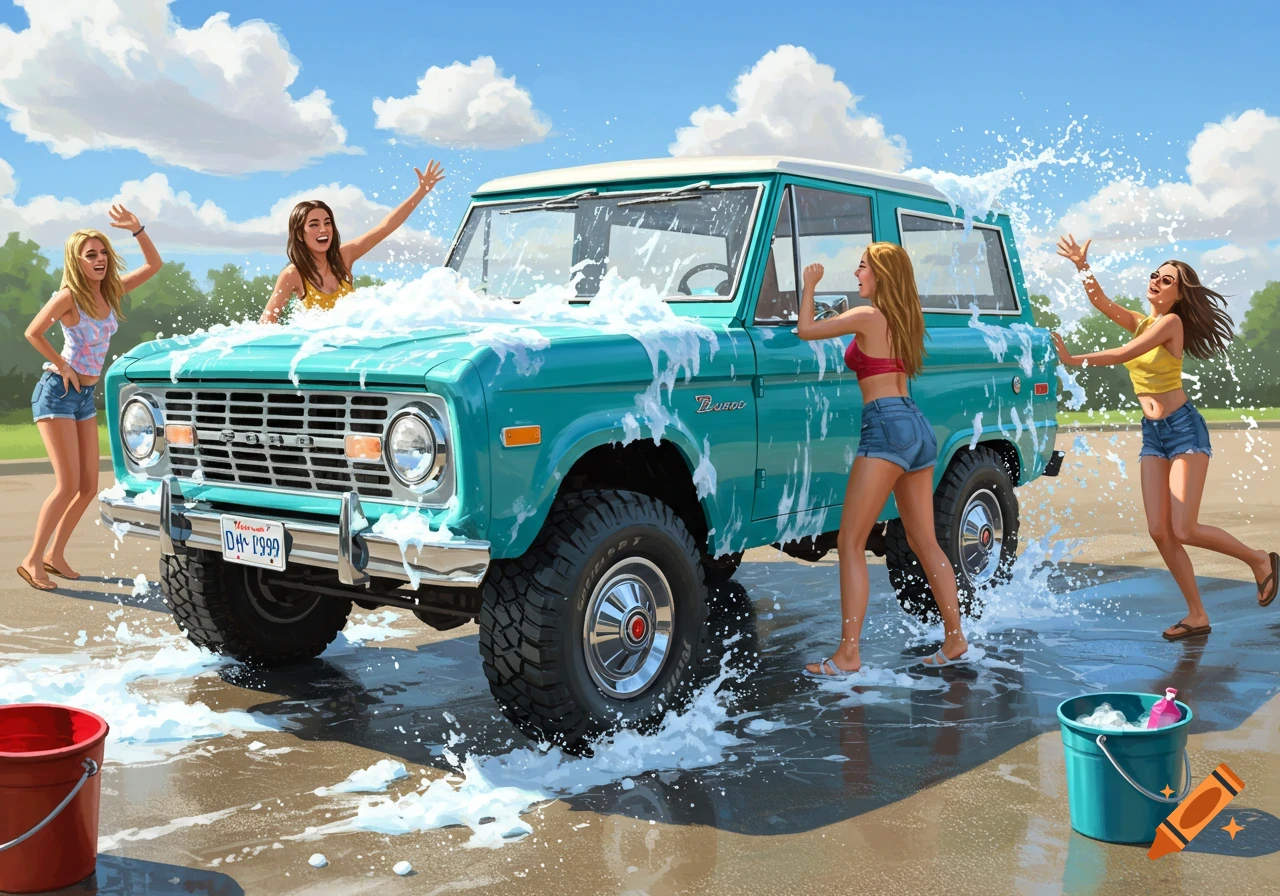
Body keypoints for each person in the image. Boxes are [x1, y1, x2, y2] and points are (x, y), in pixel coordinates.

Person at [1052, 235, 1278, 640]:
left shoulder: (1171, 324)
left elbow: (1123, 354)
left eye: (1166, 280)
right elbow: (1100, 301)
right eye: (1155, 275)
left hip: (1183, 430)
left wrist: (1072, 359)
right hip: (1153, 434)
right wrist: (1081, 266)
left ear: (1179, 294)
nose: (1156, 281)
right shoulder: (1142, 321)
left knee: (1184, 529)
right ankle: (1197, 614)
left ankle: (1260, 560)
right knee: (1159, 530)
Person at [797, 244, 970, 675]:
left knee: (850, 542)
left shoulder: (867, 316)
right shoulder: (906, 319)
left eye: (862, 267)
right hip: (916, 425)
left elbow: (805, 330)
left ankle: (848, 654)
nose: (857, 274)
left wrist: (810, 285)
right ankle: (955, 638)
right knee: (925, 542)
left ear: (880, 274)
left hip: (885, 425)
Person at [18, 207, 163, 590]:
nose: (99, 260)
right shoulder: (69, 297)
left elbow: (153, 265)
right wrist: (62, 365)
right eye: (90, 255)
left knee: (87, 487)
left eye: (103, 253)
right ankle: (31, 559)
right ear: (76, 261)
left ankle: (54, 555)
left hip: (84, 397)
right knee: (67, 485)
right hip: (57, 394)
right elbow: (33, 332)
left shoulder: (110, 291)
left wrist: (138, 229)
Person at [259, 161, 446, 323]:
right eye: (314, 225)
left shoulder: (343, 257)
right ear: (300, 234)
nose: (323, 229)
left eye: (327, 223)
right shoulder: (293, 274)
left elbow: (385, 228)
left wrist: (421, 192)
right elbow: (267, 321)